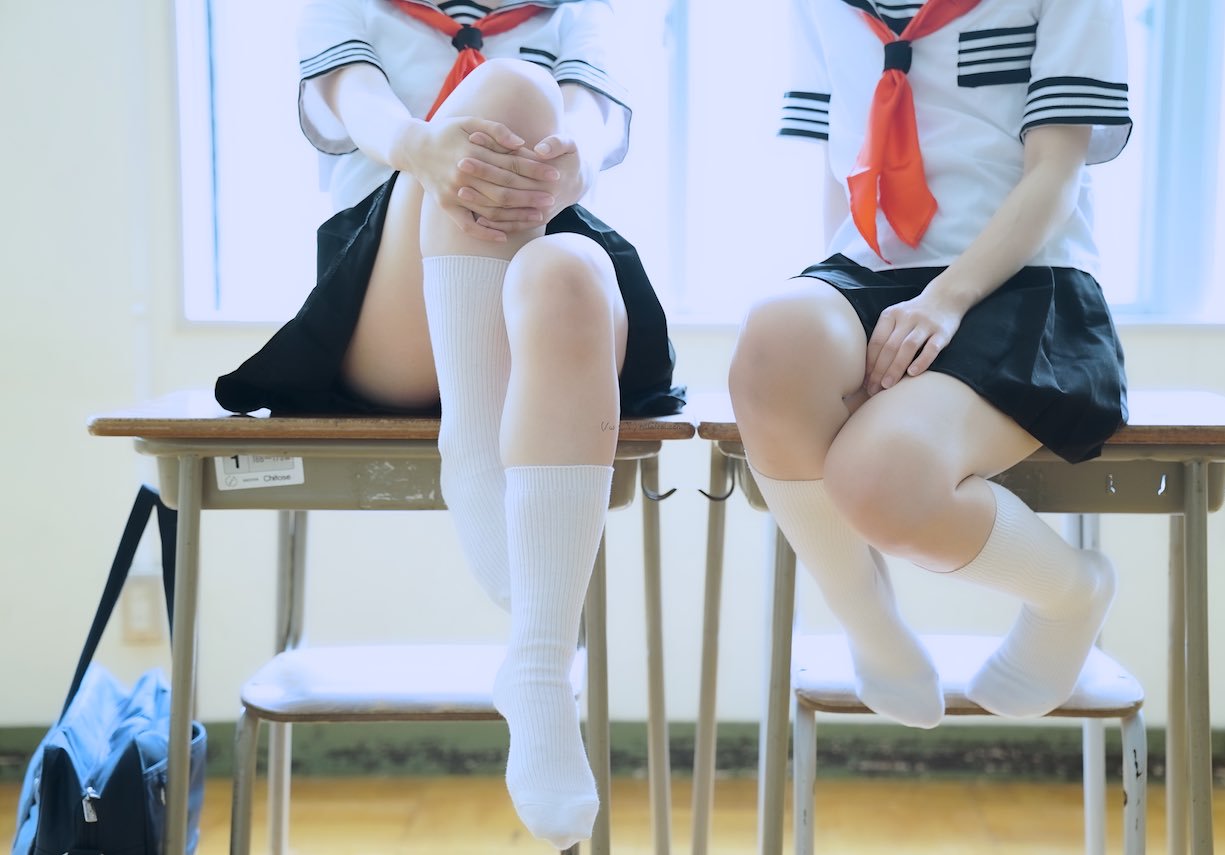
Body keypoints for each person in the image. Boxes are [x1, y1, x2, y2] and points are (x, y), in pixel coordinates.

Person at [214, 1, 684, 848]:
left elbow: (595, 115)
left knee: (570, 267)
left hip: (547, 263)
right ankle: (473, 438)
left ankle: (537, 666)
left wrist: (573, 164)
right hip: (392, 285)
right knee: (511, 89)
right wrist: (420, 145)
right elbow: (351, 97)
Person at [729, 0, 1131, 730]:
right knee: (774, 336)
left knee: (883, 480)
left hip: (1028, 277)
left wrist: (946, 299)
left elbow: (1057, 169)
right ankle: (868, 622)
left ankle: (1069, 591)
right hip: (870, 272)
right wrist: (829, 321)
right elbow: (841, 160)